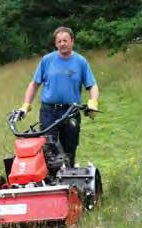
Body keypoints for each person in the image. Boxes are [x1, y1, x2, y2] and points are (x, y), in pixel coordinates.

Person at [19, 26, 99, 168]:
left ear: (72, 41)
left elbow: (92, 85)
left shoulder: (80, 62)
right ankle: (51, 183)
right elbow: (34, 84)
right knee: (49, 149)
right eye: (59, 41)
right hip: (49, 112)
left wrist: (93, 102)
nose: (62, 43)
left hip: (71, 111)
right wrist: (26, 105)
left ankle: (70, 179)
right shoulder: (47, 60)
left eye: (65, 40)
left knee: (70, 148)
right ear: (56, 44)